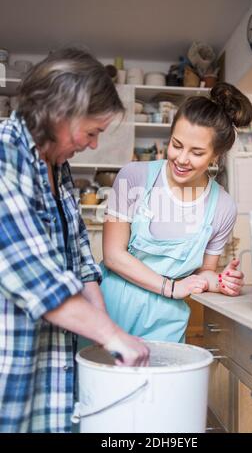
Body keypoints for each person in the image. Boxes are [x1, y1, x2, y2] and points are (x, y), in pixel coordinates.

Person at [0, 48, 149, 433]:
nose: (94, 145)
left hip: (55, 360)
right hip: (11, 358)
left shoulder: (58, 166)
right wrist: (111, 335)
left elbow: (81, 263)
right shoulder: (4, 156)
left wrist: (107, 337)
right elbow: (32, 274)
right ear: (60, 112)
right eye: (93, 132)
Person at [100, 82, 252, 343]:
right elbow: (113, 255)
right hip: (109, 317)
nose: (182, 159)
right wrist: (170, 287)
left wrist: (220, 281)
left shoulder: (223, 207)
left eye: (196, 152)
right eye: (176, 144)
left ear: (216, 156)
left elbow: (203, 273)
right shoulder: (134, 177)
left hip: (166, 326)